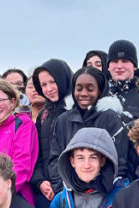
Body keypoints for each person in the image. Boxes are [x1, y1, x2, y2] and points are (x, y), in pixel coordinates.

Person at [48, 67, 130, 195]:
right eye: (79, 88)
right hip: (70, 193)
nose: (83, 93)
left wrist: (98, 191)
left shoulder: (110, 118)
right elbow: (55, 159)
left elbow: (119, 161)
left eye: (90, 89)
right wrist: (63, 191)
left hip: (103, 193)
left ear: (100, 91)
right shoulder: (63, 120)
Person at [31, 58, 73, 208]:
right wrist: (40, 181)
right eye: (43, 84)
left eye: (53, 82)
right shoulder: (44, 116)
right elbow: (38, 155)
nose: (49, 88)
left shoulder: (77, 110)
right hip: (49, 195)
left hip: (74, 191)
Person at [106, 39, 139, 120]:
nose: (119, 66)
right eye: (115, 61)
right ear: (108, 67)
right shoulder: (100, 93)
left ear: (134, 66)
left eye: (125, 61)